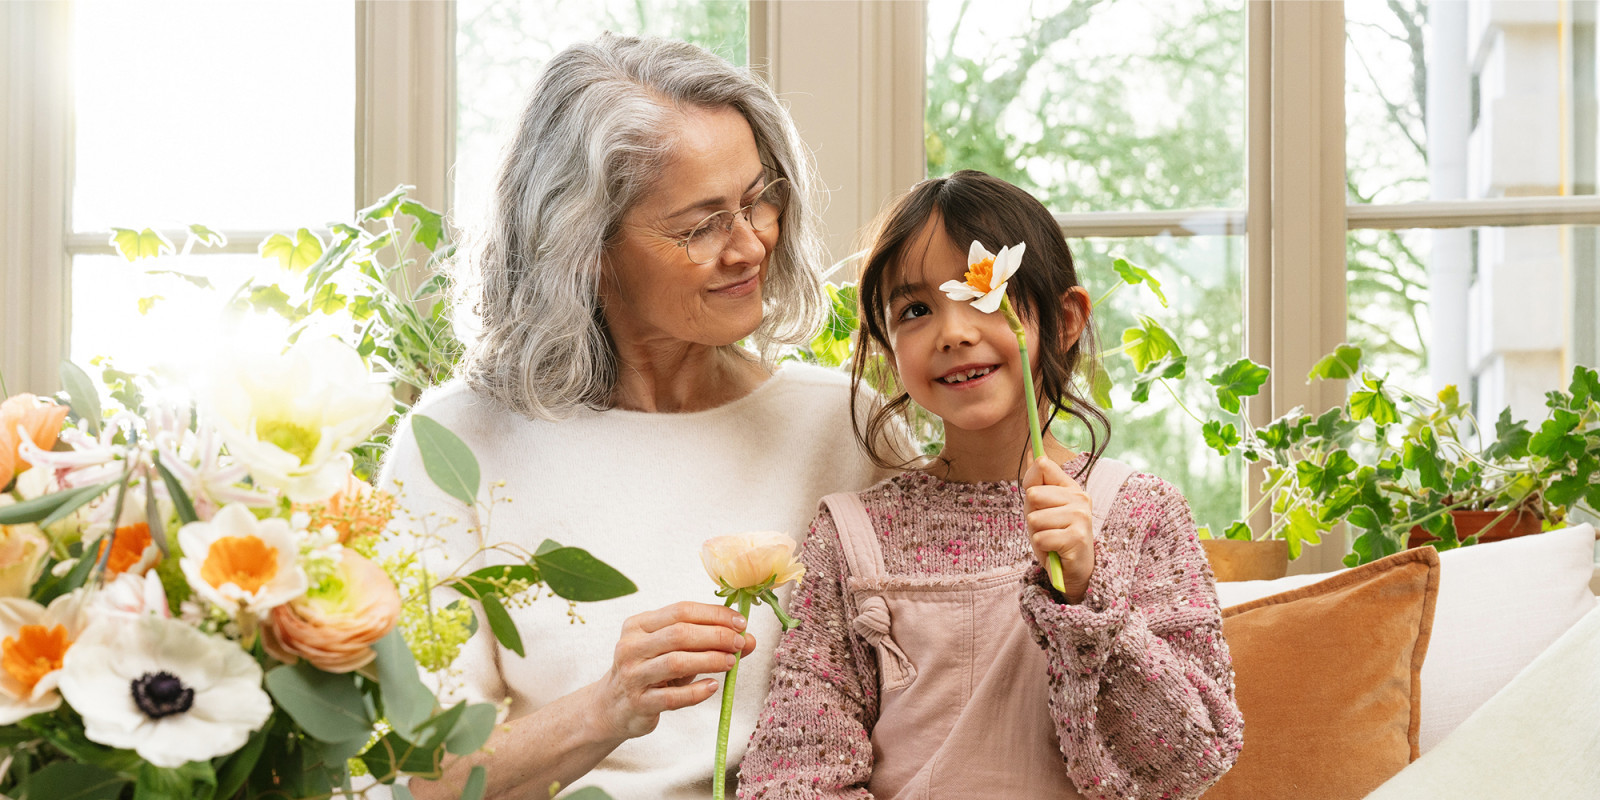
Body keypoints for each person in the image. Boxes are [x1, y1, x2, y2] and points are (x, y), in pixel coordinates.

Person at [381, 34, 898, 800]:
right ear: (582, 245)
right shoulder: (454, 445)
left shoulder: (846, 426)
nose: (751, 243)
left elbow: (939, 701)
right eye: (701, 225)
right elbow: (418, 780)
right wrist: (610, 706)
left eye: (760, 198)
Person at [737, 170, 1244, 800]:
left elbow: (1191, 760)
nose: (953, 332)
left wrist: (1087, 597)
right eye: (916, 310)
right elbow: (792, 775)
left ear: (1065, 321)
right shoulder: (849, 534)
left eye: (985, 296)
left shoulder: (1141, 514)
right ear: (890, 351)